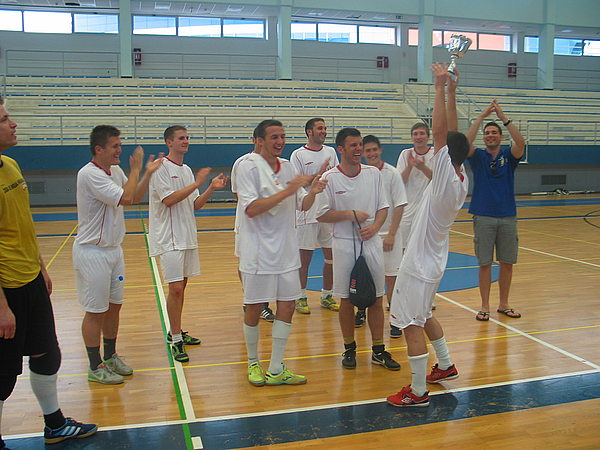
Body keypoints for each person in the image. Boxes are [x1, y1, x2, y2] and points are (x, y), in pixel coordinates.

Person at [0, 96, 97, 446]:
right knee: (3, 374)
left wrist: (40, 267)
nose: (13, 123)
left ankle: (54, 424)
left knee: (47, 353)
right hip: (6, 288)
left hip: (30, 279)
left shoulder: (10, 165)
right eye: (4, 119)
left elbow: (22, 224)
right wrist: (1, 306)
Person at [387, 64, 468, 408]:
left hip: (419, 263)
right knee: (423, 315)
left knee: (410, 323)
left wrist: (438, 88)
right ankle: (446, 364)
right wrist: (451, 92)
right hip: (434, 261)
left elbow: (441, 131)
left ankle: (418, 391)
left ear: (446, 154)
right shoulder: (461, 178)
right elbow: (453, 135)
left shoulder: (445, 173)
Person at [236, 119, 327, 386]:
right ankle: (253, 362)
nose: (280, 141)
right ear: (259, 140)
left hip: (287, 251)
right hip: (258, 252)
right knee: (254, 307)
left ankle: (276, 368)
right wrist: (288, 189)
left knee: (288, 305)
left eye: (282, 136)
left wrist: (313, 191)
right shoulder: (247, 166)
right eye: (274, 137)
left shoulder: (287, 166)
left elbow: (301, 205)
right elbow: (251, 209)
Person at [74, 125, 160, 384]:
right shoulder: (90, 174)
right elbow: (125, 198)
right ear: (98, 149)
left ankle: (110, 356)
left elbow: (135, 197)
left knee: (114, 307)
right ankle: (95, 365)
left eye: (120, 145)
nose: (120, 150)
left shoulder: (116, 171)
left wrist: (146, 173)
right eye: (115, 146)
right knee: (95, 311)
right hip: (92, 252)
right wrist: (136, 169)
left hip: (113, 250)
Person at [316, 127, 400, 371]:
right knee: (346, 300)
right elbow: (321, 214)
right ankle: (349, 348)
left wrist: (375, 227)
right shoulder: (330, 177)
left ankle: (378, 351)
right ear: (341, 149)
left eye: (359, 144)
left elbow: (383, 207)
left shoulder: (373, 174)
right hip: (343, 244)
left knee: (376, 299)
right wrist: (350, 214)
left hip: (371, 242)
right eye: (353, 145)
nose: (358, 149)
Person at [148, 126, 228, 363]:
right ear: (169, 142)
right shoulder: (161, 168)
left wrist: (210, 188)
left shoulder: (186, 170)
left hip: (187, 236)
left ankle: (176, 331)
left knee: (181, 288)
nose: (185, 141)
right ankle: (175, 339)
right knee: (175, 289)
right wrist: (197, 183)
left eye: (187, 138)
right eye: (181, 138)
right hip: (168, 237)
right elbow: (169, 200)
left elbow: (195, 205)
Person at [465, 97, 525, 322]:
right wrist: (481, 117)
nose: (490, 135)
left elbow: (521, 143)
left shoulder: (509, 156)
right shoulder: (478, 157)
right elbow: (465, 143)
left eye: (494, 133)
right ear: (484, 137)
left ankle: (504, 304)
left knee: (507, 263)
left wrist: (503, 118)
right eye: (487, 133)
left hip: (507, 216)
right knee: (484, 263)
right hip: (483, 216)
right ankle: (484, 306)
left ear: (500, 136)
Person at [290, 118, 339, 314]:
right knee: (305, 259)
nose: (324, 131)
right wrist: (318, 174)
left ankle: (327, 295)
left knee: (331, 257)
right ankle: (300, 296)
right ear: (309, 132)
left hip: (327, 212)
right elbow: (297, 183)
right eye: (320, 128)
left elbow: (336, 177)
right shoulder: (298, 155)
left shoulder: (331, 152)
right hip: (307, 213)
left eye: (325, 128)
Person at [360, 135, 407, 338]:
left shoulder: (392, 173)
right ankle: (361, 310)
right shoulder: (361, 173)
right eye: (367, 150)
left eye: (374, 150)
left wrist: (392, 235)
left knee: (392, 278)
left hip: (389, 235)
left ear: (380, 150)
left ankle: (395, 319)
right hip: (368, 235)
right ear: (363, 153)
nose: (371, 153)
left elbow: (400, 205)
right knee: (366, 277)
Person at [231, 128, 275, 322]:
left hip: (269, 226)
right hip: (247, 224)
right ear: (256, 140)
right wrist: (255, 207)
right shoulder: (242, 163)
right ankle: (249, 299)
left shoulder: (277, 165)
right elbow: (237, 193)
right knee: (246, 262)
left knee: (267, 264)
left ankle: (263, 303)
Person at [395, 122, 436, 314]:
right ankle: (403, 295)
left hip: (428, 211)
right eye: (415, 134)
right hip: (407, 211)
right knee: (404, 254)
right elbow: (399, 181)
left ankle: (427, 298)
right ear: (412, 137)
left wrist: (423, 167)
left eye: (422, 133)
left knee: (425, 255)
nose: (418, 137)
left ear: (428, 136)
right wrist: (411, 166)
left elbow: (438, 179)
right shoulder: (405, 154)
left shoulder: (435, 154)